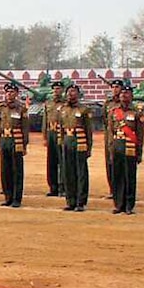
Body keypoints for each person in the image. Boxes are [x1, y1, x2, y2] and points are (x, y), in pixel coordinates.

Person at [109, 86, 144, 215]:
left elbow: (140, 134)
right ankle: (118, 204)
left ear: (131, 96)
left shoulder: (137, 112)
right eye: (122, 93)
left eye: (127, 93)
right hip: (117, 145)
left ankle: (129, 205)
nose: (124, 95)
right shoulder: (114, 112)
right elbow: (110, 132)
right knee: (117, 176)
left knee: (129, 176)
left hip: (130, 146)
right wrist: (111, 149)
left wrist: (139, 152)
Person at [0, 83, 28, 207]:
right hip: (4, 140)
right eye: (7, 92)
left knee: (16, 170)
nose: (9, 94)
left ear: (17, 94)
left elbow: (25, 127)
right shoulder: (1, 107)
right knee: (5, 170)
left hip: (16, 140)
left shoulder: (21, 108)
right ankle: (8, 197)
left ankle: (17, 198)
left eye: (12, 92)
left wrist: (24, 144)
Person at [58, 84, 93, 212]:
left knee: (81, 173)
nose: (70, 94)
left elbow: (89, 130)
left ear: (78, 94)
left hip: (80, 142)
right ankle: (70, 200)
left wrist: (89, 147)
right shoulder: (63, 109)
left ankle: (80, 201)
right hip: (67, 141)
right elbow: (61, 128)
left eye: (73, 92)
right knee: (68, 172)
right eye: (69, 92)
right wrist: (61, 143)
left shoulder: (84, 110)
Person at [43, 80, 66, 197]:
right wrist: (45, 137)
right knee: (51, 161)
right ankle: (53, 187)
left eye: (58, 89)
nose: (56, 91)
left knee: (62, 161)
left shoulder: (66, 103)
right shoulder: (48, 103)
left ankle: (63, 186)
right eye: (54, 89)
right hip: (51, 133)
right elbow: (45, 121)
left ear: (62, 90)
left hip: (61, 134)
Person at [103, 80, 124, 199]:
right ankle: (112, 189)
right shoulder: (108, 103)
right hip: (109, 137)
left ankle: (122, 190)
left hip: (122, 136)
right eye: (113, 87)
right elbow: (105, 120)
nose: (115, 89)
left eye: (117, 87)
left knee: (121, 163)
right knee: (109, 163)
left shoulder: (126, 104)